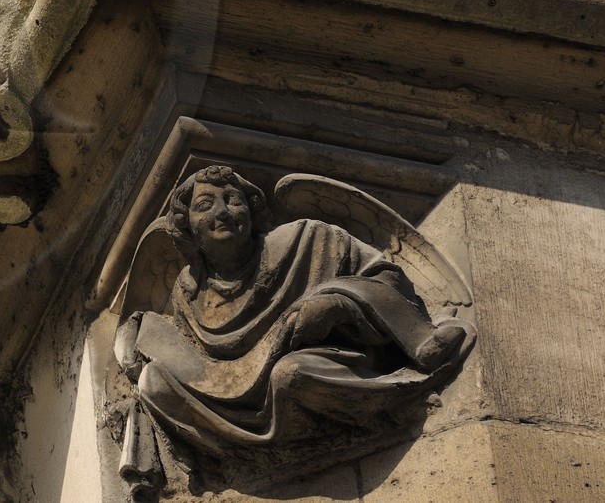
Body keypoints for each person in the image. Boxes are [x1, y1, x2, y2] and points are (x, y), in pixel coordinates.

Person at [114, 166, 473, 496]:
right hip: (227, 392)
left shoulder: (307, 239)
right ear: (188, 226)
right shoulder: (186, 292)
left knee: (290, 376)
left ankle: (376, 409)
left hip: (324, 362)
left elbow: (387, 276)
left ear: (253, 212)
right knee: (153, 383)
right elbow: (200, 363)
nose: (222, 212)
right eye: (205, 205)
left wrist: (337, 305)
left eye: (233, 200)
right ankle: (233, 456)